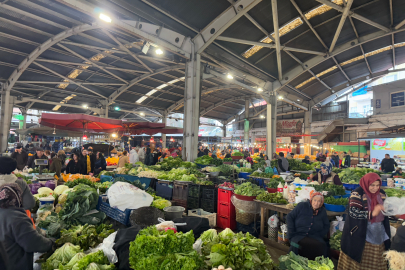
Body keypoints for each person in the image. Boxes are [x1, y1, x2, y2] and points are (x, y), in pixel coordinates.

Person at [338, 173, 390, 270]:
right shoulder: (357, 194)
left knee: (376, 259)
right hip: (361, 233)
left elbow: (385, 209)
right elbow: (353, 212)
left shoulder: (382, 194)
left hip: (378, 231)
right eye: (372, 185)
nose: (375, 188)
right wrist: (372, 214)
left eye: (377, 185)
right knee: (359, 259)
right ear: (366, 183)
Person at [0, 183, 53, 270]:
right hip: (15, 265)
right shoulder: (17, 218)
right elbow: (34, 243)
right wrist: (52, 243)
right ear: (17, 198)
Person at [286, 191, 329, 260]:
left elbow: (326, 225)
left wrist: (320, 234)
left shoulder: (322, 211)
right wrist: (291, 232)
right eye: (315, 200)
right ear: (311, 200)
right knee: (296, 245)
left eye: (319, 201)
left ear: (321, 203)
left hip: (314, 237)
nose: (316, 203)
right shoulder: (302, 206)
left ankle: (314, 265)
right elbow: (290, 217)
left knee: (322, 246)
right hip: (298, 235)